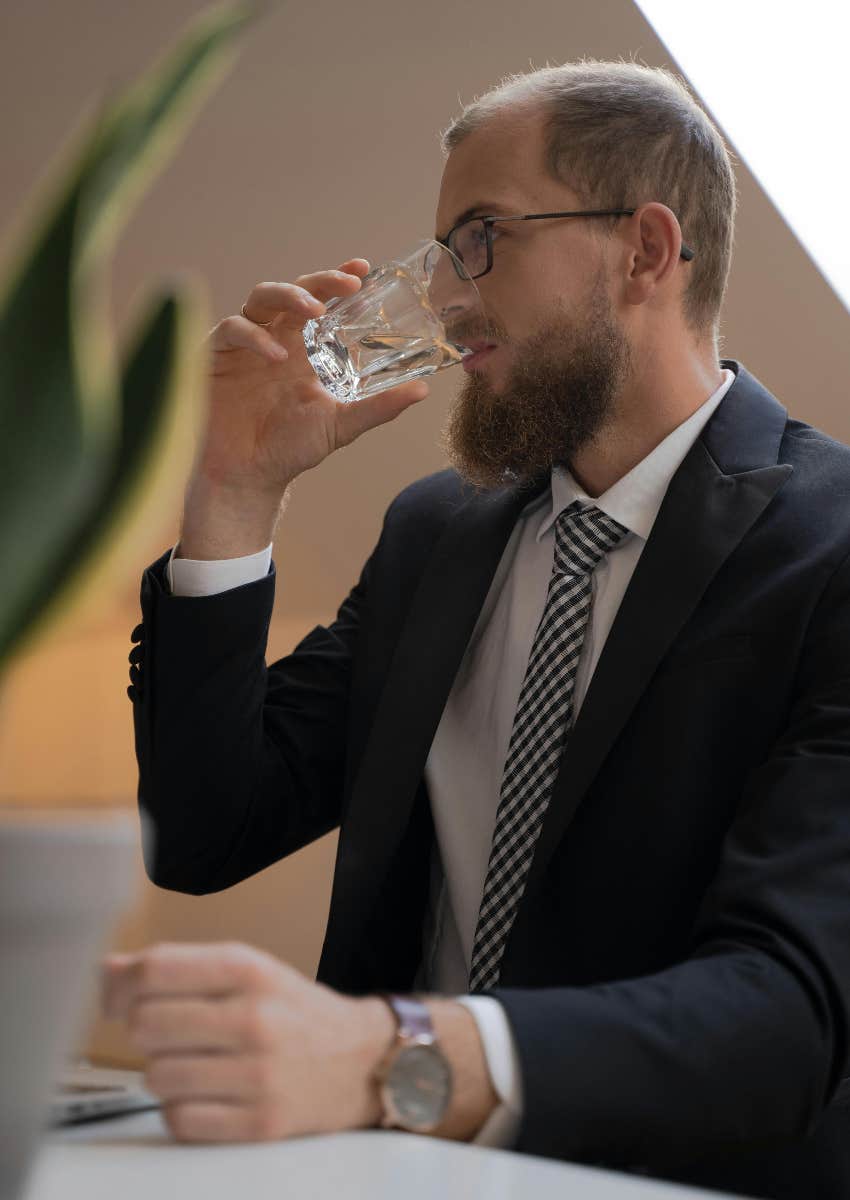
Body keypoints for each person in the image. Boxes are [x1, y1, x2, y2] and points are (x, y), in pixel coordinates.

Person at [105, 58, 850, 1199]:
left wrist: (390, 1056)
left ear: (645, 250)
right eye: (445, 251)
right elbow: (205, 834)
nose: (447, 298)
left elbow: (788, 1011)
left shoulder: (833, 549)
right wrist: (235, 496)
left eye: (482, 239)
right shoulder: (435, 535)